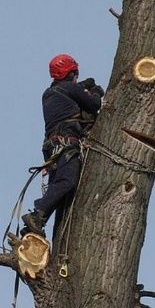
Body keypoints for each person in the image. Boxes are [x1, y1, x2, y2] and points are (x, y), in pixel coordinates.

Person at [21, 54, 104, 236]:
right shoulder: (70, 89)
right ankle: (37, 216)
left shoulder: (49, 93)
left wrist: (82, 86)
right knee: (67, 182)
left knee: (57, 187)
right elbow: (93, 104)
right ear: (71, 73)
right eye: (75, 74)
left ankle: (34, 225)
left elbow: (70, 91)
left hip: (52, 147)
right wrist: (96, 90)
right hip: (66, 143)